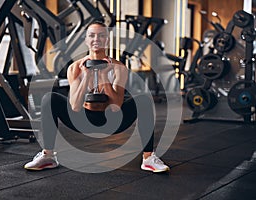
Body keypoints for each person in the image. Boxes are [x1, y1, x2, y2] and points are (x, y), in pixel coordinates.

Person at [24, 21, 169, 173]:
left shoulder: (119, 67)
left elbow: (115, 107)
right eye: (92, 35)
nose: (96, 39)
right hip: (83, 120)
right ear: (86, 40)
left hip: (113, 120)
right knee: (50, 98)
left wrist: (104, 76)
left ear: (107, 39)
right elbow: (74, 106)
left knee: (144, 100)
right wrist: (86, 76)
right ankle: (48, 156)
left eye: (101, 35)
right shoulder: (75, 68)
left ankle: (148, 158)